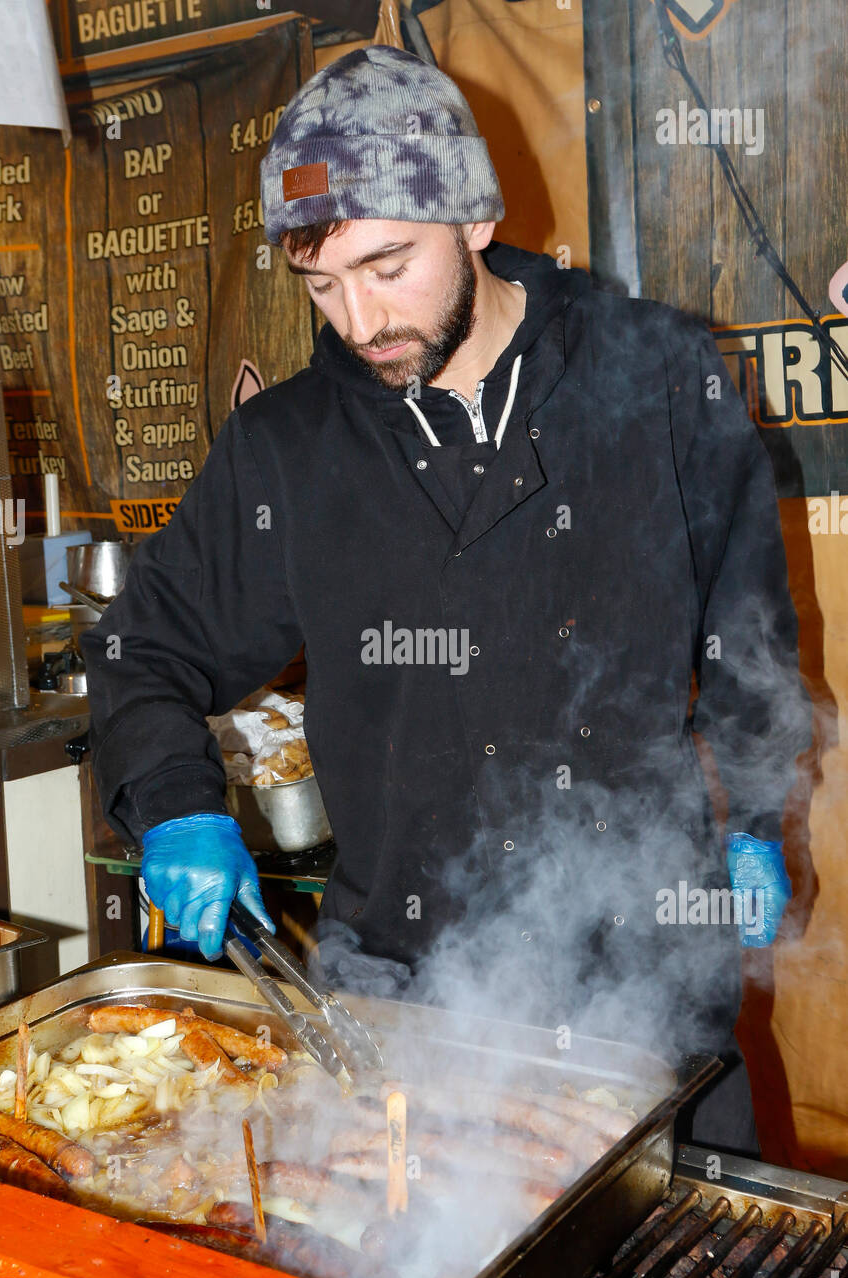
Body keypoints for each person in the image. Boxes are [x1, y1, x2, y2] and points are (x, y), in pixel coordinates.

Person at [83, 45, 810, 1154]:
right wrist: (176, 795)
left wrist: (756, 817)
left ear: (473, 215)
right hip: (404, 1001)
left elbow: (745, 625)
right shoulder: (287, 449)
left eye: (386, 266)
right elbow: (144, 649)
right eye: (321, 287)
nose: (359, 321)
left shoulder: (656, 375)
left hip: (649, 985)